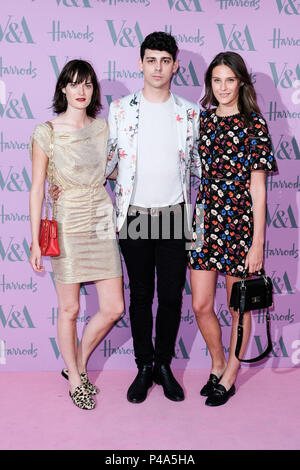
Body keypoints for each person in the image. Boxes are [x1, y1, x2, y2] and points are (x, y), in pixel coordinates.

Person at [106, 31, 201, 403]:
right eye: (151, 60)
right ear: (141, 64)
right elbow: (109, 162)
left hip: (175, 215)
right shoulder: (120, 109)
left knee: (173, 296)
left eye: (165, 60)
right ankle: (144, 366)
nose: (158, 67)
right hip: (134, 215)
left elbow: (196, 166)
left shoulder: (189, 112)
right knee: (142, 294)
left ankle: (164, 364)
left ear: (175, 65)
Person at [29, 60, 124, 410]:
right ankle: (75, 378)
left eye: (87, 85)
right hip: (67, 220)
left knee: (114, 306)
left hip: (100, 216)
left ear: (92, 90)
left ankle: (76, 367)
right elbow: (37, 188)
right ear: (63, 89)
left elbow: (114, 171)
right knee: (69, 308)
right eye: (74, 84)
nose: (81, 91)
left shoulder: (102, 128)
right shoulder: (46, 132)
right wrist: (35, 238)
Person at [188, 51, 277, 406]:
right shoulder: (203, 121)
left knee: (238, 307)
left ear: (241, 82)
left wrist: (258, 243)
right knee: (200, 303)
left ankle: (231, 374)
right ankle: (217, 361)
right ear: (210, 84)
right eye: (216, 80)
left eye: (229, 80)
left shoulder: (254, 124)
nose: (223, 87)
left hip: (239, 223)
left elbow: (259, 189)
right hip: (203, 219)